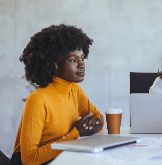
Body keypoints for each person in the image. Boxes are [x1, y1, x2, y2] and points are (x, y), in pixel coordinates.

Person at [11, 24, 104, 165]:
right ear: (55, 65)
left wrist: (94, 123)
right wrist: (76, 133)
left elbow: (98, 116)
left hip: (61, 159)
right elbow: (29, 159)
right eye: (73, 60)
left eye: (82, 58)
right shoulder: (38, 99)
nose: (81, 65)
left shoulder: (74, 89)